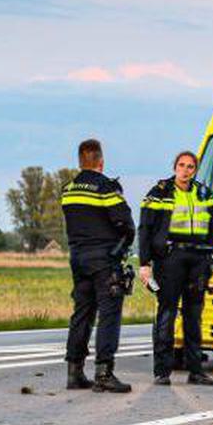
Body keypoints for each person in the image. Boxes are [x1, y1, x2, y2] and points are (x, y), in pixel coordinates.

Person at [139, 150, 213, 385]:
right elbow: (145, 230)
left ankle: (196, 370)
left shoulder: (203, 193)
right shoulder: (160, 192)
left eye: (190, 166)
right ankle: (162, 371)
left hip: (198, 259)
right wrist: (144, 264)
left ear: (195, 169)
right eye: (181, 165)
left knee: (194, 315)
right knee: (167, 313)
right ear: (174, 167)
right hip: (170, 259)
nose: (185, 170)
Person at [61, 137, 135, 393]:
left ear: (81, 161)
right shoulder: (106, 188)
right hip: (104, 258)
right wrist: (121, 247)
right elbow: (125, 223)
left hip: (77, 258)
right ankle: (104, 372)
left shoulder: (68, 189)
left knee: (82, 313)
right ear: (101, 162)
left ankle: (74, 371)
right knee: (108, 314)